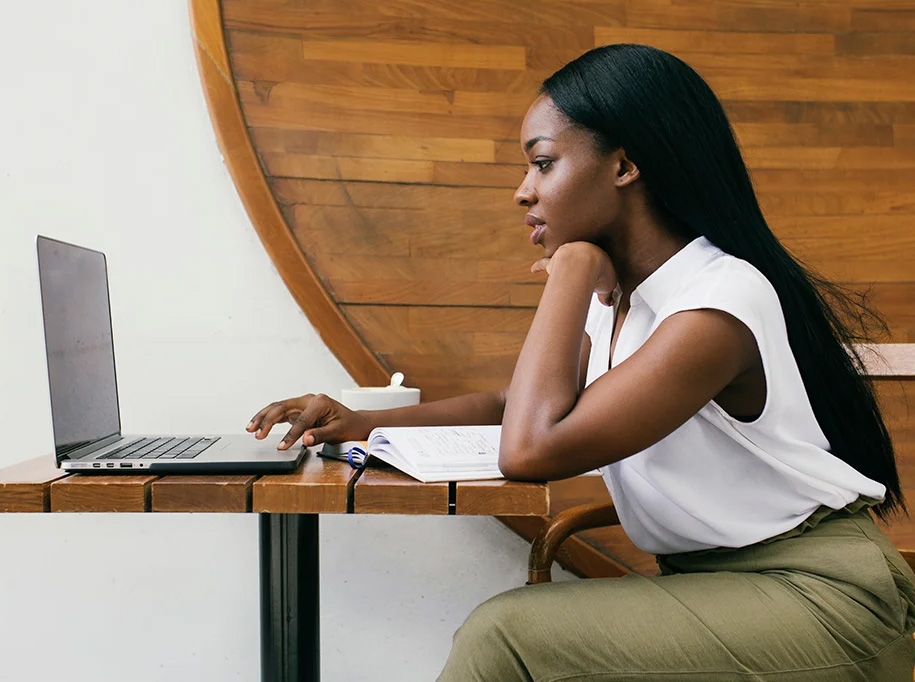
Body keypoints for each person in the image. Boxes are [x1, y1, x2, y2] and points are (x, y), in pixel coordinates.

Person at [247, 44, 915, 680]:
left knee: (506, 636)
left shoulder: (716, 304)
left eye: (542, 164)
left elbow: (531, 449)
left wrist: (569, 269)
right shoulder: (630, 297)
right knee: (516, 637)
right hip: (723, 590)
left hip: (818, 601)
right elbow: (513, 411)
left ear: (622, 166)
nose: (522, 191)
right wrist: (358, 421)